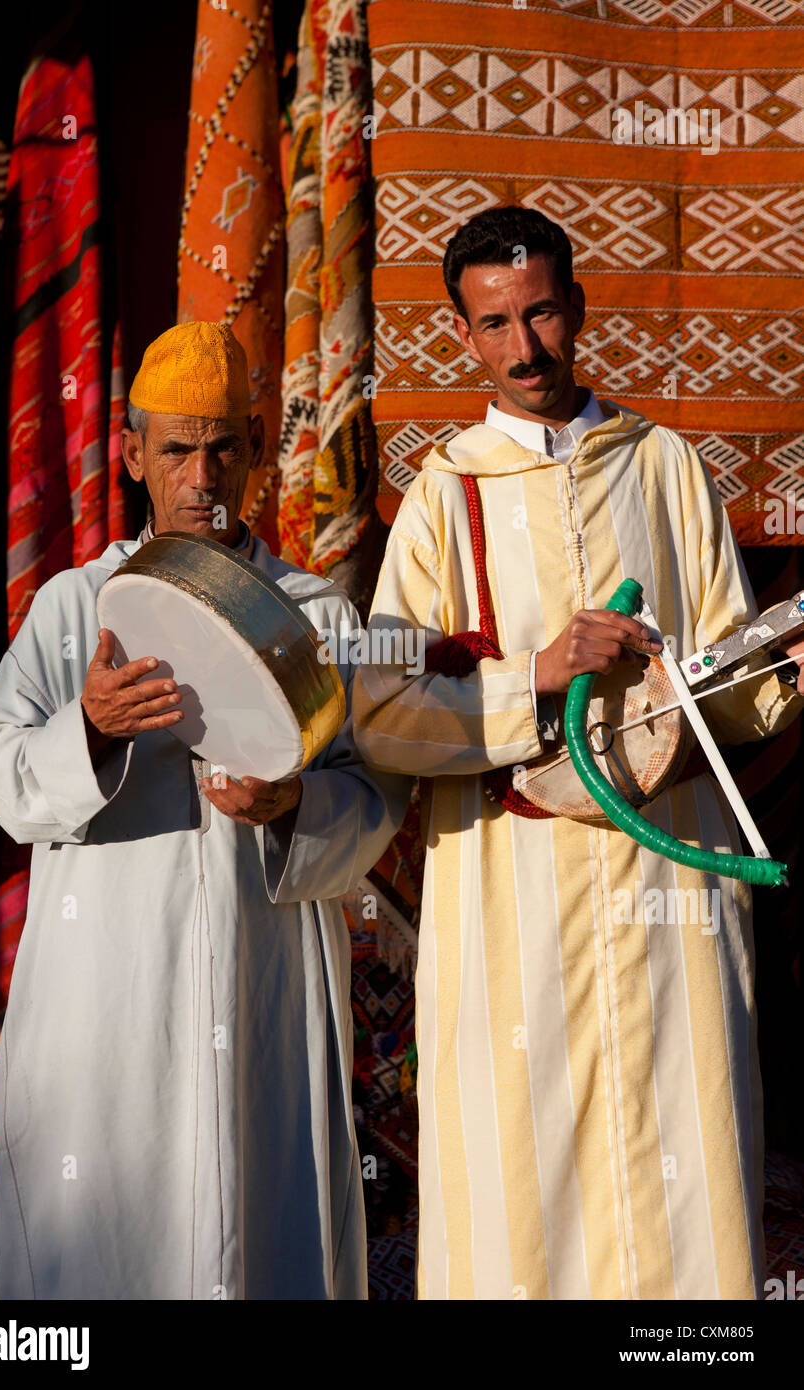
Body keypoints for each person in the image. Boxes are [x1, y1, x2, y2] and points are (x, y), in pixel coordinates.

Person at [353, 206, 804, 1301]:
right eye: (495, 323)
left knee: (682, 1173)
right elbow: (381, 715)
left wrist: (769, 686)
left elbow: (735, 697)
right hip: (509, 904)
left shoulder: (663, 469)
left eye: (542, 312)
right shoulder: (437, 502)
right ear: (461, 334)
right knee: (522, 1178)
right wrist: (533, 676)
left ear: (576, 306)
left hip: (669, 894)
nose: (524, 349)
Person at [0, 321, 409, 1300]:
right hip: (101, 997)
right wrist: (90, 727)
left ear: (255, 450)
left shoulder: (316, 614)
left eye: (221, 447)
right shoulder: (77, 607)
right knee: (104, 1242)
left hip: (264, 987)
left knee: (258, 1218)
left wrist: (294, 801)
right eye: (175, 448)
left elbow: (376, 799)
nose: (201, 473)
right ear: (130, 455)